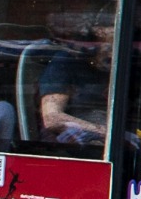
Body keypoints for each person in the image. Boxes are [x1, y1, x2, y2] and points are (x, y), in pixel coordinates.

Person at [36, 12, 113, 150]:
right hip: (74, 147)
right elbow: (52, 118)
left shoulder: (119, 63)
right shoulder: (66, 61)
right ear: (99, 30)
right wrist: (105, 133)